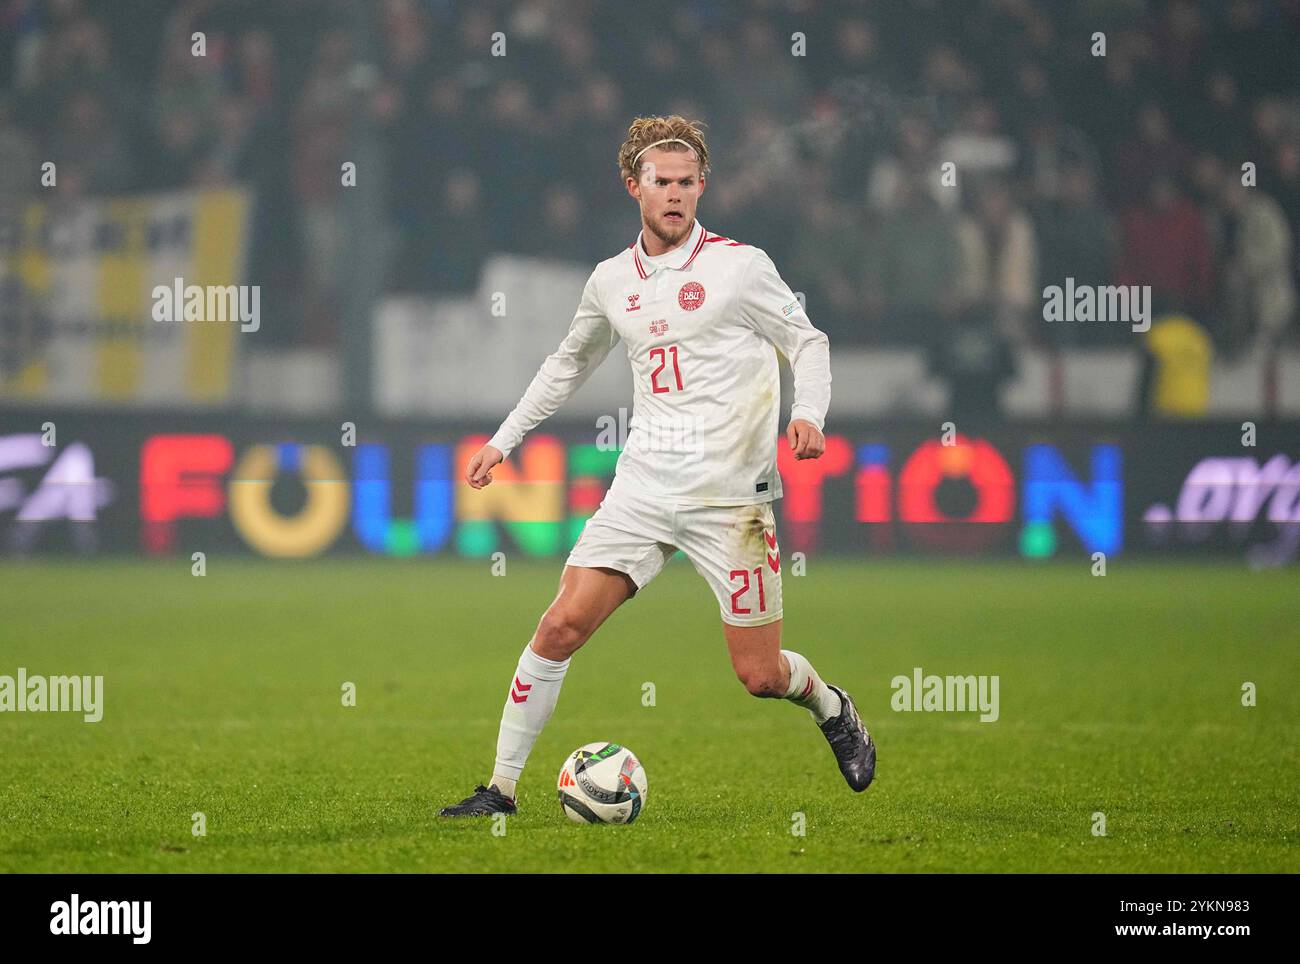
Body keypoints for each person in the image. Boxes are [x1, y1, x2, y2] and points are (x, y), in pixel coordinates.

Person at [440, 115, 875, 816]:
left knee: (760, 676)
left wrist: (810, 415)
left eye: (686, 182)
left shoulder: (740, 267)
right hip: (642, 489)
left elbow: (809, 340)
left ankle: (831, 706)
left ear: (702, 185)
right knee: (558, 628)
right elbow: (566, 366)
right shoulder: (612, 281)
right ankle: (500, 789)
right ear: (633, 186)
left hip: (730, 501)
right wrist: (505, 439)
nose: (674, 195)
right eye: (661, 182)